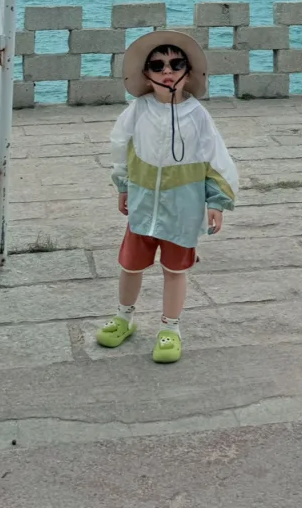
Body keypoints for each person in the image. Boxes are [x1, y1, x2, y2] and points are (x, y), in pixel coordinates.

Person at [96, 29, 238, 364]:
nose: (167, 71)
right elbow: (121, 147)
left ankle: (170, 328)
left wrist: (216, 202)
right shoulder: (138, 110)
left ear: (188, 73)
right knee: (130, 265)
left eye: (176, 64)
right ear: (146, 74)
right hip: (143, 205)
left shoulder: (198, 115)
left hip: (183, 208)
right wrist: (123, 186)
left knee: (175, 270)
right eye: (157, 65)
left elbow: (216, 159)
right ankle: (124, 317)